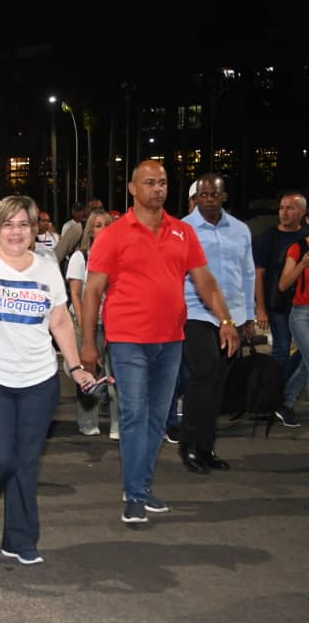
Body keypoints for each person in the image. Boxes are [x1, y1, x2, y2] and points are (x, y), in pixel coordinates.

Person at [81, 161, 239, 525]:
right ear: (133, 189)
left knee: (156, 418)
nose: (158, 188)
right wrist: (88, 344)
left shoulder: (183, 232)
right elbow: (92, 292)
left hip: (171, 341)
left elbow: (206, 282)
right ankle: (135, 493)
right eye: (150, 183)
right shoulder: (114, 235)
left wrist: (226, 320)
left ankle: (141, 484)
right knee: (135, 414)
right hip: (127, 341)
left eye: (163, 183)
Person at [0, 196, 95, 565]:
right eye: (8, 224)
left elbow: (61, 322)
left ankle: (20, 540)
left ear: (34, 230)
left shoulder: (48, 268)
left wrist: (75, 366)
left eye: (24, 224)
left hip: (39, 380)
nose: (16, 232)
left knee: (25, 461)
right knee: (0, 457)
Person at [177, 174, 255, 473]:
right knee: (204, 373)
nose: (209, 199)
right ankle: (189, 444)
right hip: (195, 312)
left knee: (218, 382)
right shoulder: (183, 229)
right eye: (203, 194)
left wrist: (247, 316)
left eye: (214, 194)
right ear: (196, 197)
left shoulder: (240, 230)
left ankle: (206, 446)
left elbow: (248, 273)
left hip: (231, 315)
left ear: (224, 197)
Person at [254, 192, 307, 426]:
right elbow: (260, 274)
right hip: (277, 305)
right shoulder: (270, 238)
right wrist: (261, 308)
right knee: (282, 351)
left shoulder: (304, 237)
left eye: (291, 208)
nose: (284, 212)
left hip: (297, 305)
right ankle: (272, 399)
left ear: (303, 214)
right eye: (282, 208)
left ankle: (281, 399)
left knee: (302, 356)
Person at [67, 209, 119, 438]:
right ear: (90, 230)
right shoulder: (81, 257)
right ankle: (87, 421)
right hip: (89, 322)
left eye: (107, 225)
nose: (103, 230)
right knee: (90, 375)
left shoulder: (119, 256)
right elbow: (75, 294)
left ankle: (118, 425)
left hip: (114, 322)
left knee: (117, 377)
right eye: (98, 225)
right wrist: (83, 322)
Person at [276, 225, 309, 422]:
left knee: (306, 363)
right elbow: (283, 284)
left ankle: (286, 403)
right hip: (301, 314)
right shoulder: (297, 248)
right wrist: (302, 264)